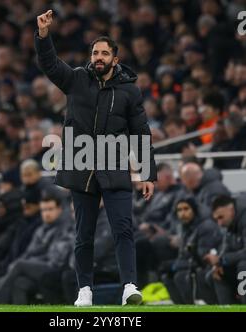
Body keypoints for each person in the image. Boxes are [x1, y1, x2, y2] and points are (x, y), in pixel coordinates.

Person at [35, 10, 157, 306]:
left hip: (114, 167)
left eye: (104, 53)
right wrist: (43, 35)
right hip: (82, 167)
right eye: (95, 52)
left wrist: (148, 173)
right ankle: (84, 291)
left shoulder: (129, 91)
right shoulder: (76, 79)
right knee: (83, 235)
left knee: (123, 229)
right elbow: (50, 65)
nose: (98, 57)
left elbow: (141, 132)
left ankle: (129, 286)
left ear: (115, 59)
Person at [205, 194, 246, 304]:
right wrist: (218, 264)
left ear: (231, 209)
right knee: (215, 274)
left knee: (244, 266)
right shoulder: (231, 224)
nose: (219, 223)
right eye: (216, 219)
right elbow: (226, 248)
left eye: (221, 217)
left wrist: (222, 260)